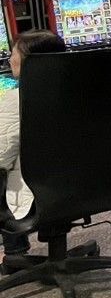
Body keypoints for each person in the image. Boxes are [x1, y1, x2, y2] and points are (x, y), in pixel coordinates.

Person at [0, 30, 67, 261]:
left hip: (37, 194)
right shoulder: (77, 88)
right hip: (84, 185)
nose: (9, 59)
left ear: (30, 61)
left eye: (13, 53)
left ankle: (15, 253)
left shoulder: (16, 99)